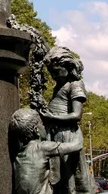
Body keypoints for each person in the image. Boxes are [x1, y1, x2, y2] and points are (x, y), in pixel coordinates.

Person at [41, 46, 93, 194]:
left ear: (68, 67)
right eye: (51, 73)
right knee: (57, 178)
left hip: (68, 136)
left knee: (68, 178)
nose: (53, 76)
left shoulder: (75, 85)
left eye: (56, 72)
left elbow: (76, 115)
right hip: (55, 134)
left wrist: (52, 117)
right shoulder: (59, 86)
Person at [9, 108, 83, 194]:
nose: (44, 126)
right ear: (36, 130)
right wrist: (76, 127)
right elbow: (77, 145)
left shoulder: (18, 154)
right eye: (42, 124)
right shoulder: (42, 147)